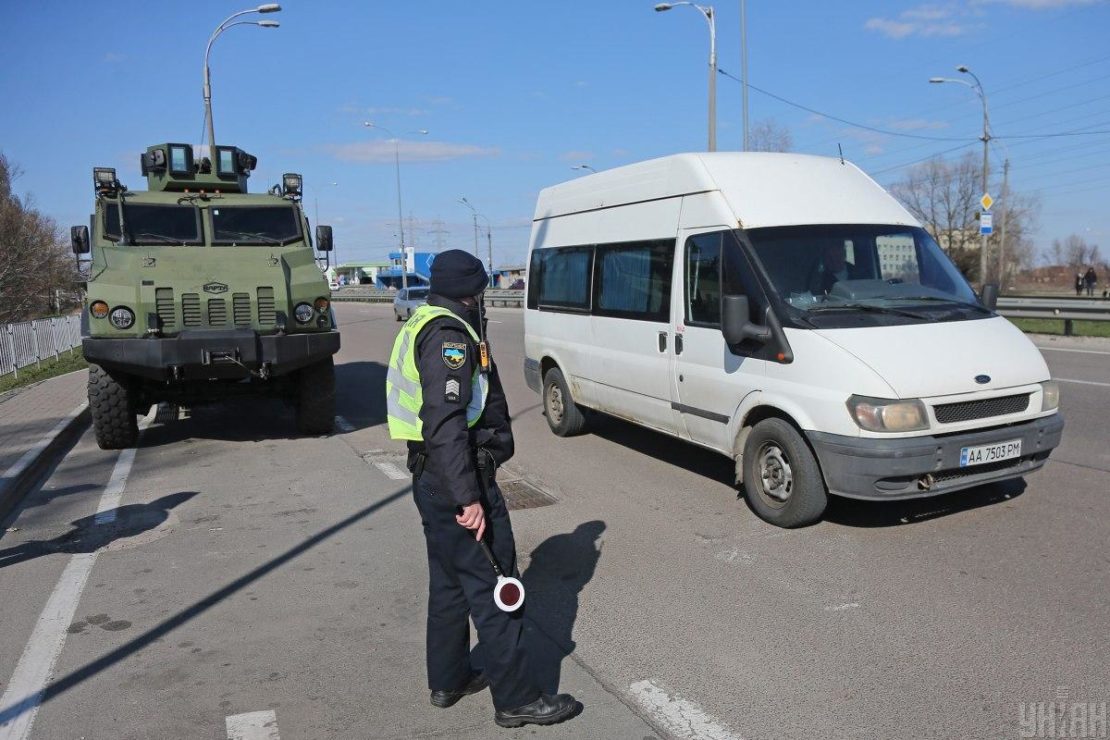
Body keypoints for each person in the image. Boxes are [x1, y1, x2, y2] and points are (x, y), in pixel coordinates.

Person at [386, 249, 580, 729]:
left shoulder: (423, 319)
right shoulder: (449, 335)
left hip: (434, 477)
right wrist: (468, 497)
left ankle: (449, 680)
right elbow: (445, 421)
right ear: (471, 292)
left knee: (450, 582)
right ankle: (518, 699)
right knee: (498, 589)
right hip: (456, 478)